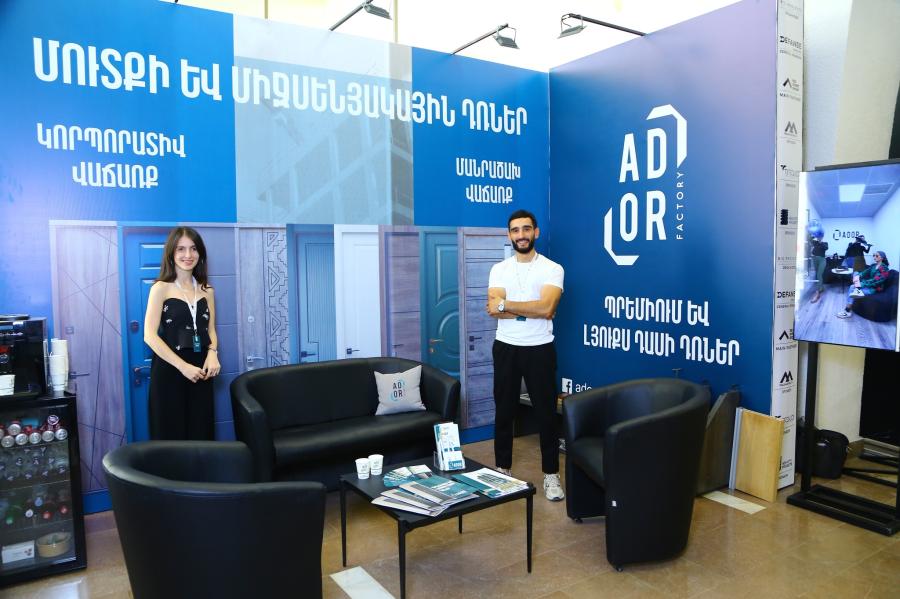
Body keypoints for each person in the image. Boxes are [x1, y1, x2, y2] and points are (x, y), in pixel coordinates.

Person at [486, 209, 565, 501]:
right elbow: (493, 308)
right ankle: (502, 470)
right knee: (504, 411)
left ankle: (551, 475)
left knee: (546, 414)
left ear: (536, 232)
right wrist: (528, 308)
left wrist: (507, 305)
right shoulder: (499, 269)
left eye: (526, 229)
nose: (521, 235)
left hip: (540, 348)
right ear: (509, 235)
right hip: (506, 346)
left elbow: (547, 308)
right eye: (515, 230)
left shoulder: (553, 269)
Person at [144, 227, 220, 439]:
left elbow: (210, 329)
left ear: (200, 253)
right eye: (181, 249)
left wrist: (213, 352)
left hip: (202, 372)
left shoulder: (207, 290)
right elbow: (149, 335)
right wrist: (183, 367)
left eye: (193, 249)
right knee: (170, 436)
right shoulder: (160, 288)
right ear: (171, 253)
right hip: (170, 371)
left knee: (201, 434)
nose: (188, 255)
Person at [836, 250, 890, 319]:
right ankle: (848, 310)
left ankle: (847, 311)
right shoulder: (874, 266)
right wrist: (858, 276)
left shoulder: (884, 268)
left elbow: (876, 280)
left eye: (876, 256)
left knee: (853, 289)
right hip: (869, 286)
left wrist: (861, 284)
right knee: (852, 286)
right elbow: (865, 272)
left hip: (874, 288)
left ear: (882, 258)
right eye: (874, 255)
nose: (874, 257)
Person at [809, 233, 828, 303]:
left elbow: (826, 248)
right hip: (814, 259)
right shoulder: (815, 242)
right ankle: (821, 287)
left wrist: (820, 242)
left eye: (820, 236)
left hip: (822, 260)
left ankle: (818, 292)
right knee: (818, 274)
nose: (819, 237)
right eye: (818, 236)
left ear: (822, 237)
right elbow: (810, 239)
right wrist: (814, 235)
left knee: (819, 274)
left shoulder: (825, 243)